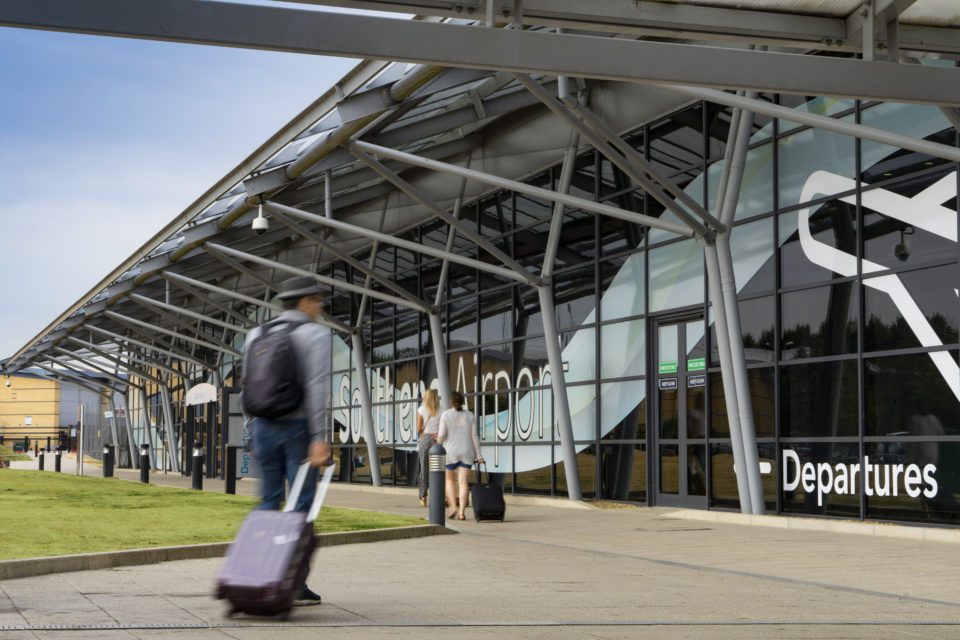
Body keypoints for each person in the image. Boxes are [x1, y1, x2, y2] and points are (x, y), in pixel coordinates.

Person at [242, 275, 333, 607]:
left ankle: (256, 576)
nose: (320, 307)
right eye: (318, 300)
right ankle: (294, 584)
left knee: (267, 504)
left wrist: (253, 430)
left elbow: (246, 386)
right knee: (299, 509)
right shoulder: (316, 335)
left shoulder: (256, 334)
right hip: (298, 430)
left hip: (263, 428)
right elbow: (318, 388)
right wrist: (320, 438)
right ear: (305, 302)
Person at [437, 391, 484, 521]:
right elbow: (474, 436)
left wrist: (437, 445)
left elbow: (441, 435)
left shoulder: (446, 415)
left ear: (451, 402)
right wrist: (479, 456)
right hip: (467, 451)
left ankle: (452, 507)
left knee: (449, 480)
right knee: (463, 482)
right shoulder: (470, 416)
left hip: (450, 452)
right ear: (462, 401)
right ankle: (462, 512)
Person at [416, 388, 441, 507]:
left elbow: (419, 428)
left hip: (425, 440)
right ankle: (438, 495)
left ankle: (423, 496)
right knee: (438, 469)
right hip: (438, 441)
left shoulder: (422, 410)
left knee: (424, 469)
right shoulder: (441, 410)